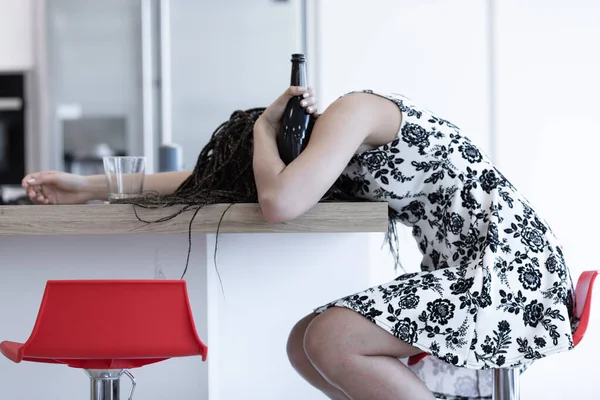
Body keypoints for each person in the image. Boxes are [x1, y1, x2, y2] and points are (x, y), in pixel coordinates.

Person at [22, 86, 576, 400]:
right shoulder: (334, 159)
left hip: (510, 274)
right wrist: (86, 187)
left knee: (333, 336)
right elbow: (203, 183)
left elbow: (279, 201)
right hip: (474, 276)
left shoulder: (355, 110)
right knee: (304, 341)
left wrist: (264, 133)